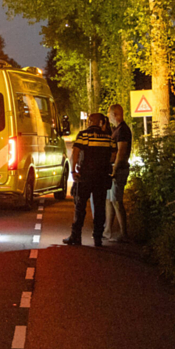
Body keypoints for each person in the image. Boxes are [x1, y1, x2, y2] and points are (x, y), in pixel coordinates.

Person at [63, 112, 115, 247]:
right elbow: (114, 154)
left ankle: (76, 236)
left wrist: (73, 170)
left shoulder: (84, 135)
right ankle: (97, 237)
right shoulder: (109, 137)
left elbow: (75, 152)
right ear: (101, 122)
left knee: (80, 206)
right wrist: (104, 165)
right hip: (101, 177)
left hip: (85, 176)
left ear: (89, 122)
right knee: (99, 207)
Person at [104, 103, 132, 242]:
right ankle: (107, 230)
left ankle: (123, 233)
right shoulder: (118, 130)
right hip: (114, 169)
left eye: (110, 115)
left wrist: (114, 169)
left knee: (116, 200)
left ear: (115, 115)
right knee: (109, 200)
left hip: (119, 170)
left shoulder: (122, 131)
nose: (109, 118)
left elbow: (121, 151)